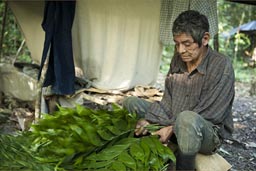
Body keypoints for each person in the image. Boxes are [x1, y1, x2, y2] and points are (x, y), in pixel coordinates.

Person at [123, 10, 235, 170]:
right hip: (175, 118)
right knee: (131, 103)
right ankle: (151, 146)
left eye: (187, 44)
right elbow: (168, 100)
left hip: (206, 130)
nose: (180, 50)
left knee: (187, 120)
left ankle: (182, 165)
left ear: (205, 39)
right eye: (177, 43)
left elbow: (212, 114)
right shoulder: (178, 60)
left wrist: (172, 127)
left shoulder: (221, 65)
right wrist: (149, 119)